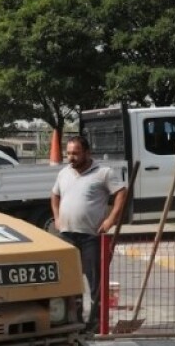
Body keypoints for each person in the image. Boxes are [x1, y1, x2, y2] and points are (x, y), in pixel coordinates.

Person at [51, 136, 128, 331]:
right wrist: (57, 218)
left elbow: (121, 193)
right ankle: (74, 320)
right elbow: (55, 195)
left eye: (75, 153)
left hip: (91, 237)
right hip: (67, 235)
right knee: (70, 280)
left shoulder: (103, 173)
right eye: (68, 153)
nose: (71, 157)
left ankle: (96, 324)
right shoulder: (64, 173)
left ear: (87, 153)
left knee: (95, 281)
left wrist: (111, 219)